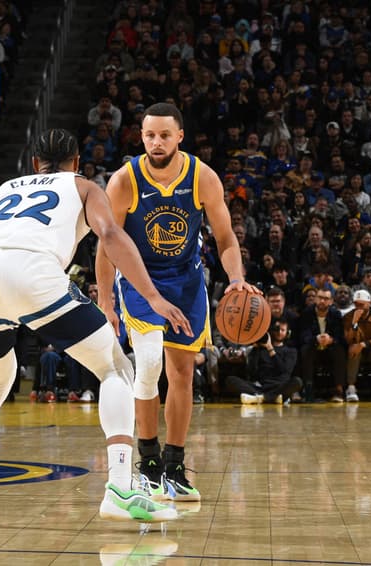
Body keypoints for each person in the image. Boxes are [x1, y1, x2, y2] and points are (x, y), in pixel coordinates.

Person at [0, 129, 188, 527]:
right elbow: (110, 234)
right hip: (31, 272)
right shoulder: (84, 187)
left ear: (34, 164)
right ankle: (119, 488)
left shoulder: (3, 191)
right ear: (77, 162)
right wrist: (152, 295)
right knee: (116, 369)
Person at [95, 103, 256, 502]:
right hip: (140, 280)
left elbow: (226, 238)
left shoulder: (203, 177)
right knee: (149, 363)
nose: (156, 142)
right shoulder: (124, 181)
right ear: (141, 137)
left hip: (186, 281)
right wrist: (107, 302)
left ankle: (174, 467)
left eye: (164, 135)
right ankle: (149, 464)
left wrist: (237, 279)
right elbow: (106, 247)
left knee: (182, 373)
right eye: (150, 135)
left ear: (180, 136)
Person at [229, 320, 300, 405]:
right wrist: (255, 349)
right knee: (230, 380)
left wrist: (270, 349)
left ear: (288, 333)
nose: (279, 332)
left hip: (280, 387)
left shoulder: (291, 351)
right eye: (276, 329)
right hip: (261, 387)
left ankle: (259, 398)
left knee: (297, 381)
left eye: (282, 330)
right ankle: (272, 398)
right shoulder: (261, 349)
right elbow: (251, 372)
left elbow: (284, 371)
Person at [298, 288, 347, 402]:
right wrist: (316, 339)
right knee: (305, 349)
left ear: (331, 301)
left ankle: (339, 390)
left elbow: (340, 336)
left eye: (326, 299)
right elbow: (304, 336)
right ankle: (308, 389)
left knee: (339, 350)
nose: (322, 301)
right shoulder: (307, 313)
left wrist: (331, 340)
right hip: (313, 346)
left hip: (330, 347)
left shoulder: (336, 314)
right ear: (315, 299)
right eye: (320, 298)